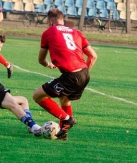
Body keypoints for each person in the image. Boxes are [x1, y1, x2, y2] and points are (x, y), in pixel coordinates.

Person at [33, 9, 97, 140]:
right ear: (62, 20)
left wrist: (48, 64)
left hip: (71, 76)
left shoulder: (48, 32)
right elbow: (93, 56)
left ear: (51, 22)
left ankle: (67, 119)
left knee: (37, 96)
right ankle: (63, 133)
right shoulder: (76, 32)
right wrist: (82, 74)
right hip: (85, 74)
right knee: (65, 99)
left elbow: (41, 60)